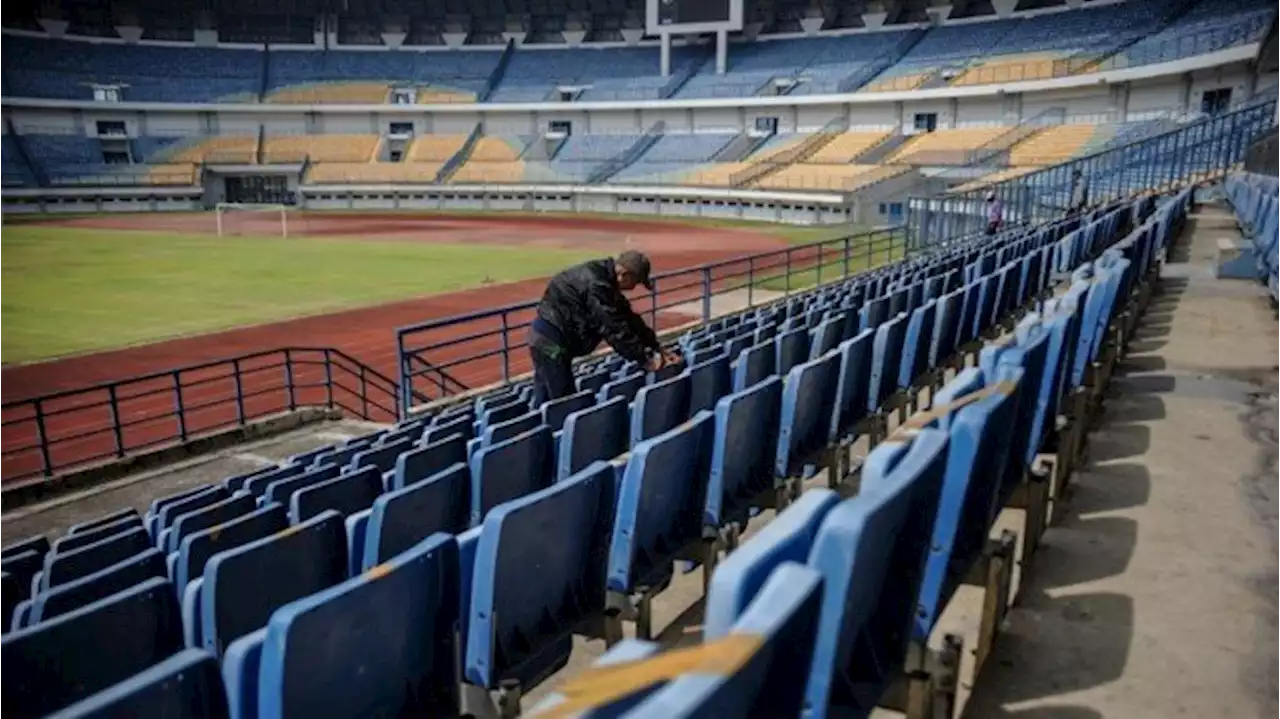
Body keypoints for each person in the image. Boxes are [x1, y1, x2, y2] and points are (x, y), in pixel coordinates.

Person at [528, 250, 681, 405]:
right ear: (624, 275)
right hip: (550, 342)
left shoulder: (606, 283)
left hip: (552, 339)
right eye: (636, 281)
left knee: (546, 394)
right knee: (563, 400)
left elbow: (629, 319)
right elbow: (612, 328)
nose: (634, 287)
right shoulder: (596, 285)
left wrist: (656, 347)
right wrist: (644, 360)